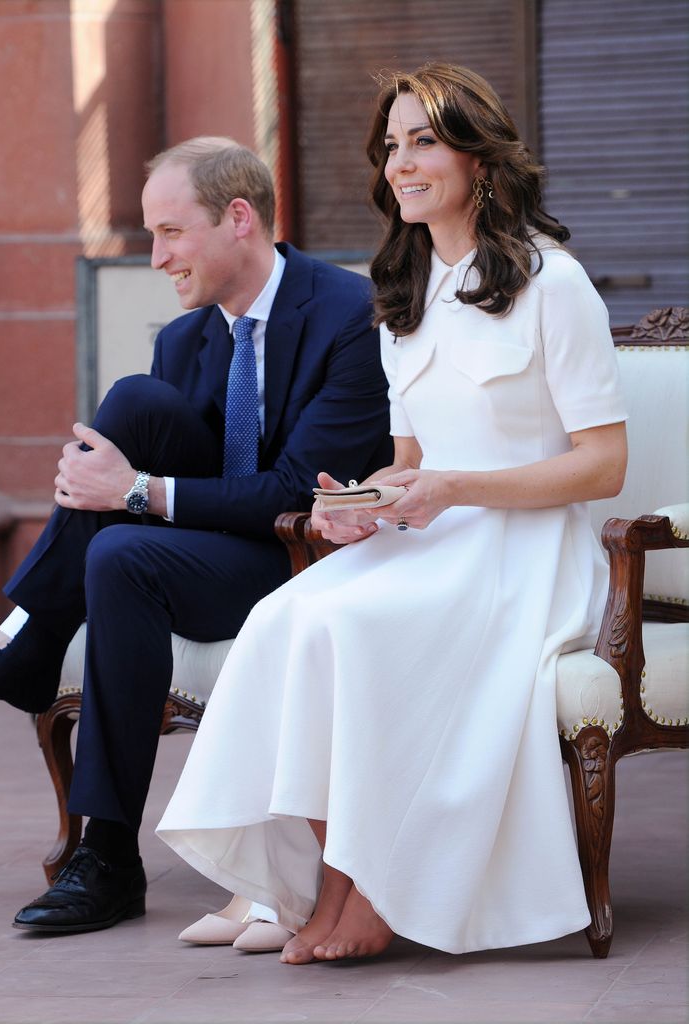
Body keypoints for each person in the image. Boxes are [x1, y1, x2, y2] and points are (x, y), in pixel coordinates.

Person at [156, 64, 629, 963]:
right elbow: (409, 463)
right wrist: (359, 506)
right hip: (436, 539)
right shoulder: (406, 299)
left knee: (350, 622)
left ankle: (368, 890)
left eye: (422, 141)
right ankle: (333, 879)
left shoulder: (550, 283)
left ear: (477, 157)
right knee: (286, 617)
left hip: (527, 554)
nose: (401, 162)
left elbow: (603, 465)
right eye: (390, 146)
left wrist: (453, 489)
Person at [0, 137, 392, 936]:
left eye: (170, 232)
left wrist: (134, 490)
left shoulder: (347, 315)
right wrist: (120, 494)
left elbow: (294, 493)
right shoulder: (185, 339)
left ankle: (19, 671)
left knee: (125, 516)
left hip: (306, 559)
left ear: (238, 219)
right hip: (216, 551)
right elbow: (145, 506)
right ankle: (105, 850)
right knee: (132, 437)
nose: (155, 258)